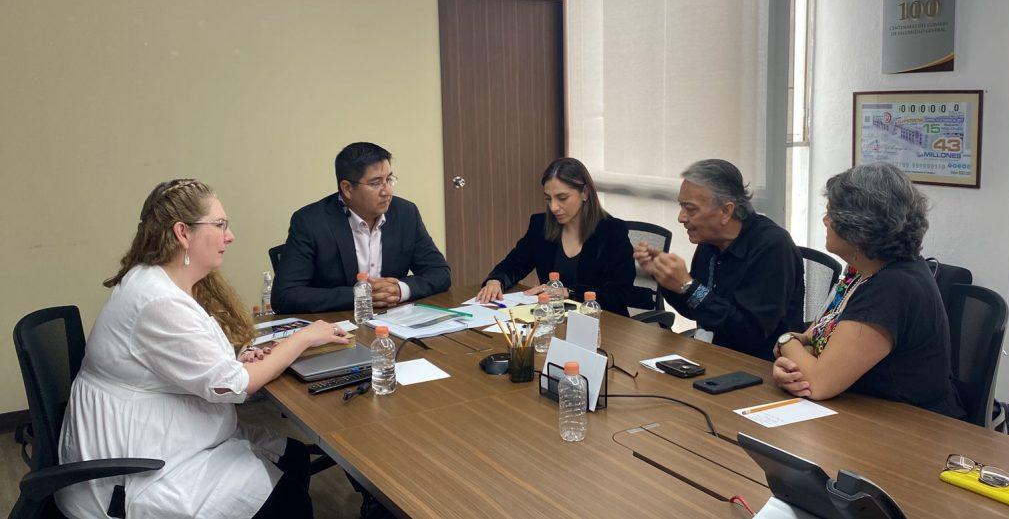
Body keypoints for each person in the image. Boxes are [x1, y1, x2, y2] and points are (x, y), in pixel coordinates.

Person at [57, 179, 350, 519]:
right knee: (289, 503)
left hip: (166, 439)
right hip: (134, 472)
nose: (230, 236)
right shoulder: (157, 300)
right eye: (220, 225)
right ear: (183, 233)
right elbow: (237, 386)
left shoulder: (156, 282)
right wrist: (303, 338)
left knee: (294, 458)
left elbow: (176, 361)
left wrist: (234, 360)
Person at [772, 163, 965, 419]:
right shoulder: (860, 271)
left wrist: (786, 342)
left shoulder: (892, 287)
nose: (825, 220)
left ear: (859, 228)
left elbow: (818, 382)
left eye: (832, 214)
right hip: (858, 411)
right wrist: (791, 365)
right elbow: (812, 340)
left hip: (910, 430)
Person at [634, 159, 803, 360]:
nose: (681, 218)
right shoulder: (710, 242)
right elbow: (696, 310)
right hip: (712, 355)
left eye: (691, 209)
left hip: (763, 369)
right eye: (681, 206)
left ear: (725, 211)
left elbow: (750, 335)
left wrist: (688, 286)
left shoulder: (772, 246)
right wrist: (666, 278)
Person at [272, 142, 451, 313]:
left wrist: (400, 289)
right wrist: (361, 296)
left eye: (389, 179)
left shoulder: (405, 213)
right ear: (347, 188)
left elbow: (440, 273)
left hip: (393, 322)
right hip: (336, 326)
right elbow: (285, 296)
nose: (387, 191)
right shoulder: (310, 221)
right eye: (375, 183)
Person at [476, 157, 635, 316]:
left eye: (562, 198)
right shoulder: (540, 225)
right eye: (548, 198)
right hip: (553, 320)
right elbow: (514, 264)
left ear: (585, 193)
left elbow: (619, 292)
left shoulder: (612, 231)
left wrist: (568, 292)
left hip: (603, 322)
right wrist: (496, 281)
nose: (553, 207)